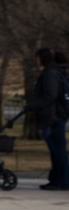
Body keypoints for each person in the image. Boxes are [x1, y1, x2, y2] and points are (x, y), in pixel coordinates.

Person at [23, 47, 69, 190]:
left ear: (43, 58)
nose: (36, 61)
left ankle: (62, 180)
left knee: (58, 150)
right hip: (54, 116)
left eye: (37, 57)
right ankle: (56, 179)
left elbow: (50, 96)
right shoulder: (55, 72)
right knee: (56, 150)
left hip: (53, 117)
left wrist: (32, 106)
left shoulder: (50, 74)